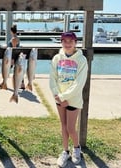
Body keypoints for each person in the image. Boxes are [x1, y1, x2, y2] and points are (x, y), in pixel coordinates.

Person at [49, 32, 88, 167]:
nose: (67, 44)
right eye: (64, 41)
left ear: (75, 42)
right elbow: (52, 78)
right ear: (61, 43)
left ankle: (76, 148)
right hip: (59, 98)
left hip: (73, 100)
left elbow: (79, 83)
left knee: (71, 128)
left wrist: (64, 97)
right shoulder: (56, 58)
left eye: (70, 41)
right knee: (64, 126)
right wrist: (57, 95)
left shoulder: (81, 60)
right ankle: (65, 151)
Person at [8, 24, 25, 90]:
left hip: (14, 58)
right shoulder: (17, 38)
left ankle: (14, 86)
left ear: (11, 31)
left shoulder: (13, 39)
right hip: (17, 57)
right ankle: (22, 84)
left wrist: (12, 60)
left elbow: (14, 49)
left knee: (13, 72)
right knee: (20, 71)